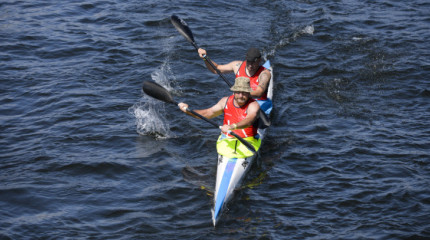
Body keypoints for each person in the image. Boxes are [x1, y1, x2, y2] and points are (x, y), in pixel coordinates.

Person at [178, 77, 260, 146]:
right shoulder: (225, 101)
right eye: (238, 92)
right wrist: (188, 111)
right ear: (234, 91)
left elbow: (249, 120)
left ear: (249, 93)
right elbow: (207, 113)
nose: (241, 96)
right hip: (227, 139)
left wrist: (232, 126)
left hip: (248, 140)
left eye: (244, 93)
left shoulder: (253, 105)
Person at [198, 47, 272, 115]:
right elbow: (216, 69)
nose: (250, 65)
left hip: (259, 104)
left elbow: (259, 92)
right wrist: (205, 58)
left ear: (260, 61)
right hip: (240, 100)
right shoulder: (237, 66)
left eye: (253, 62)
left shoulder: (264, 74)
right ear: (246, 59)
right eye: (249, 61)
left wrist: (242, 93)